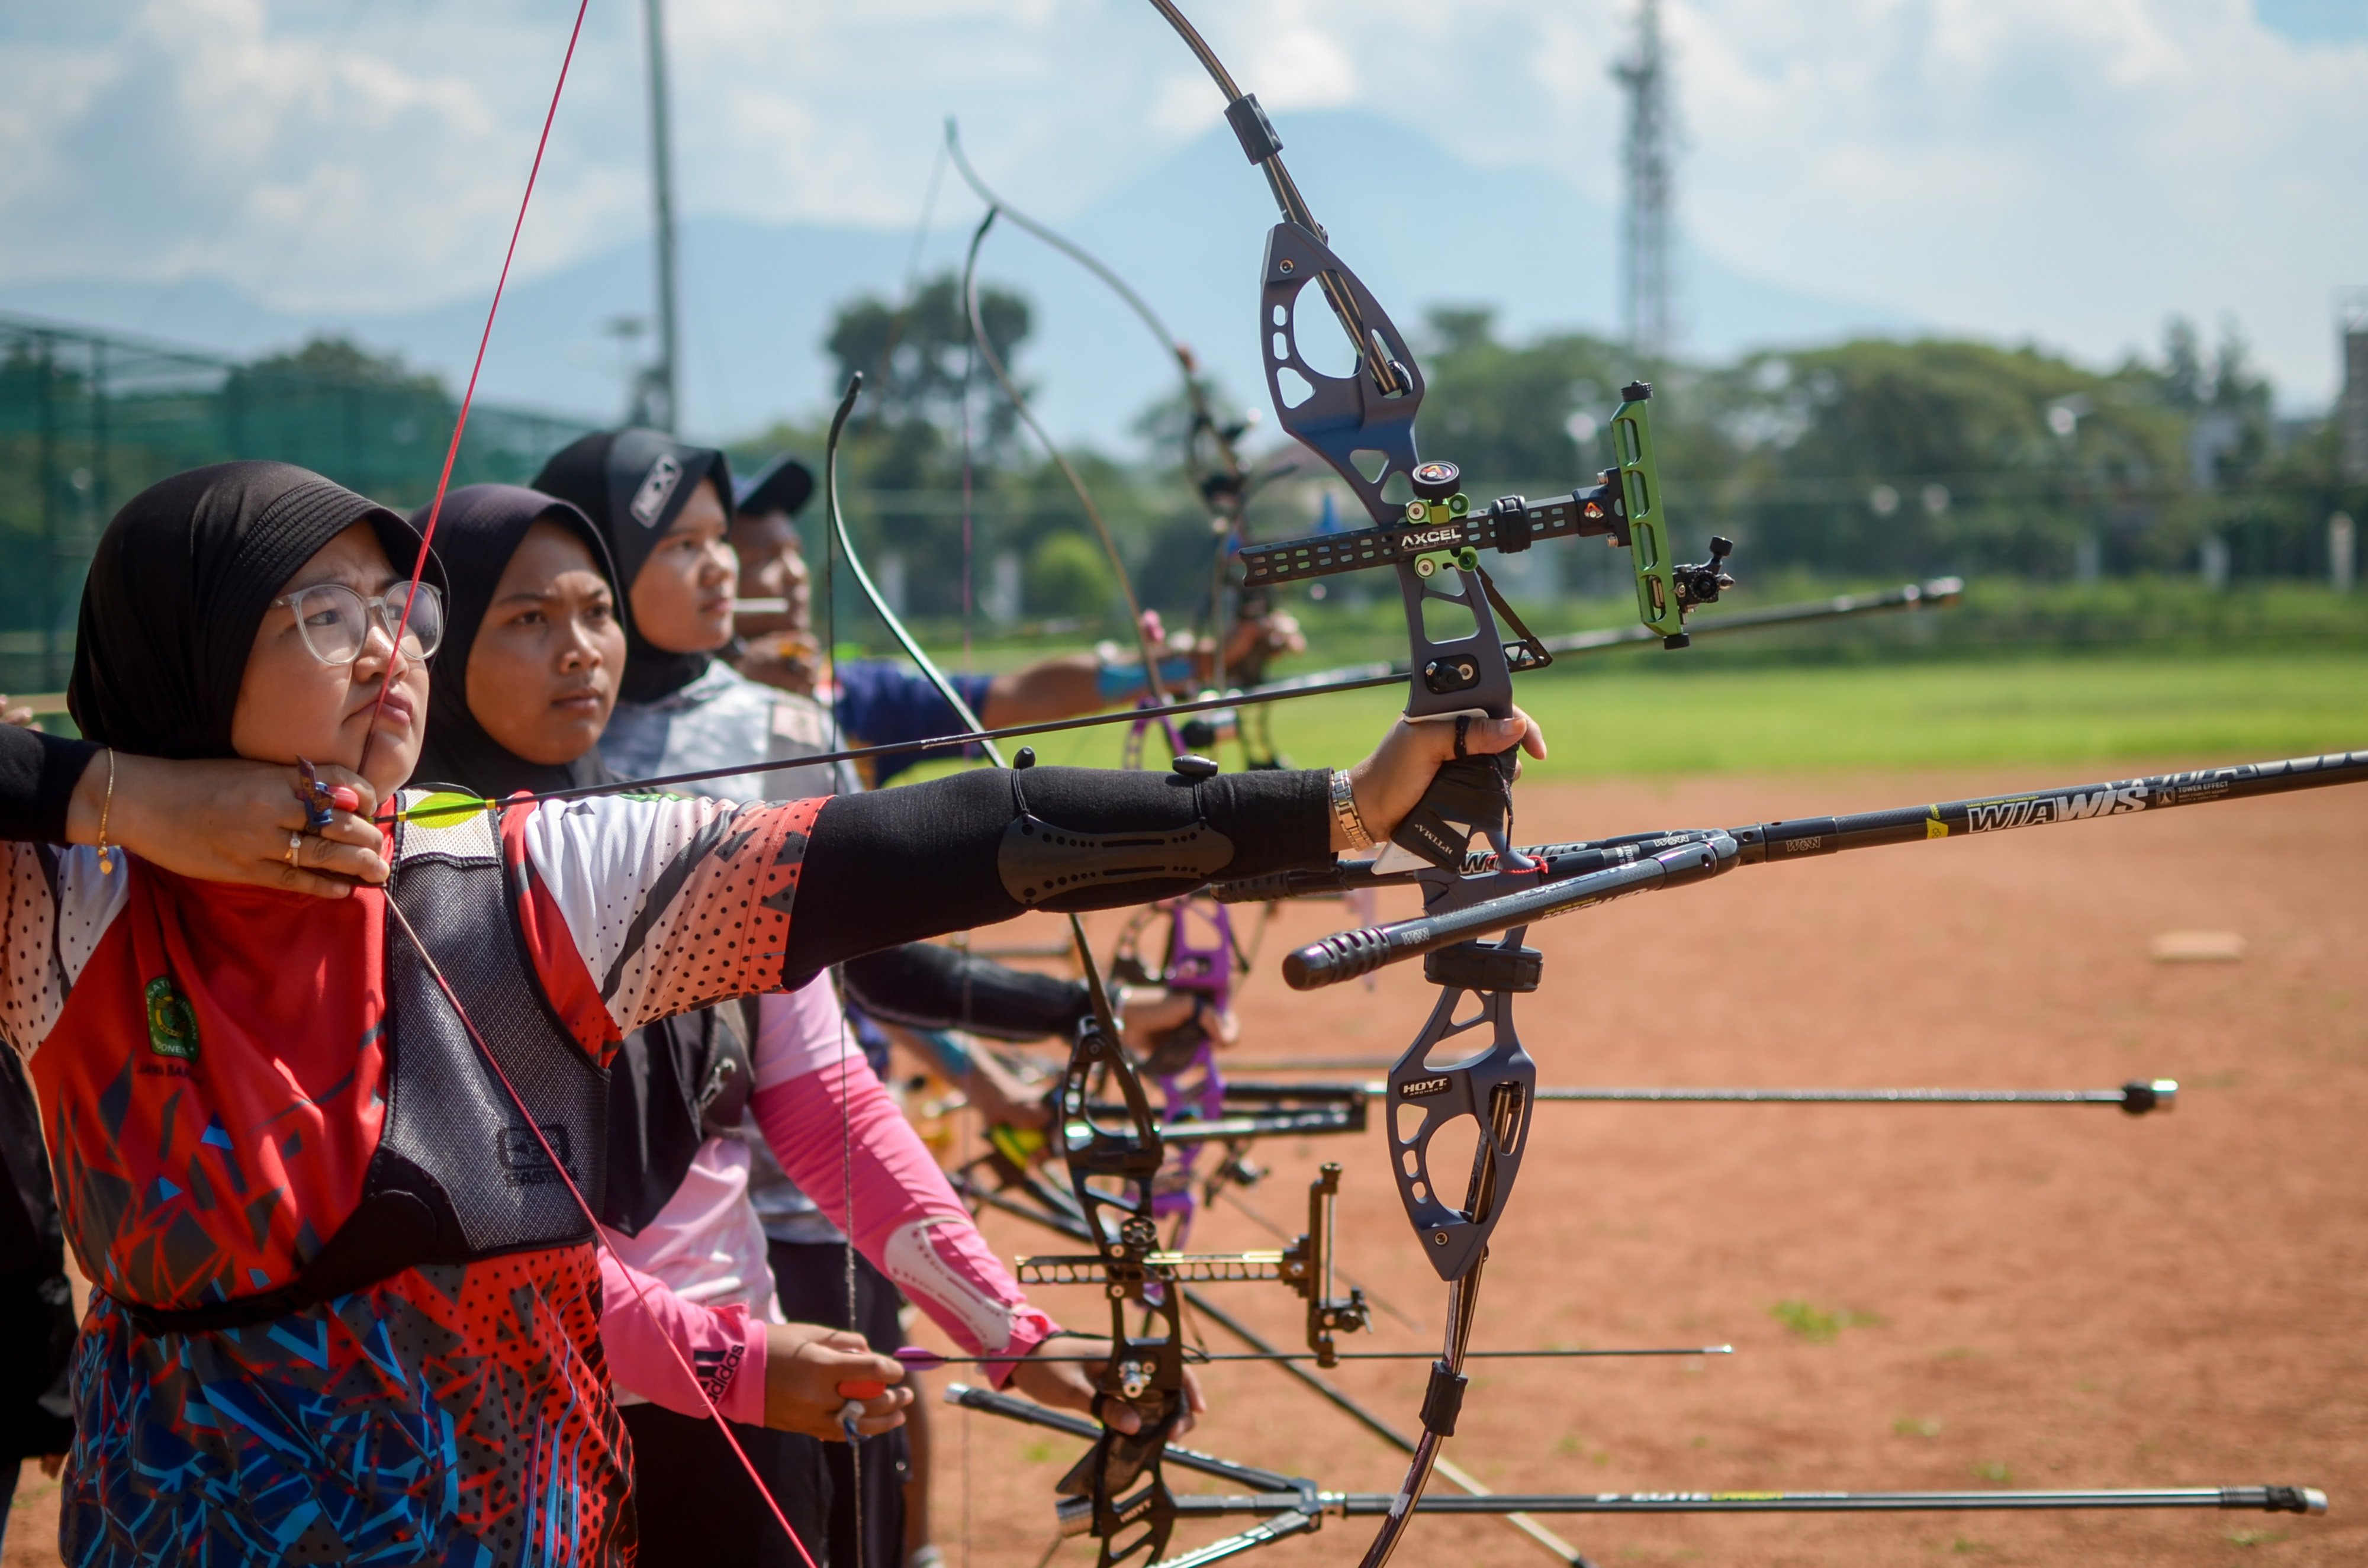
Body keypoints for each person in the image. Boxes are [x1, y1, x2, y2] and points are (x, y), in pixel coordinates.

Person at [0, 458, 1535, 1563]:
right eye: (318, 613)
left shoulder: (540, 879)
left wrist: (1334, 809)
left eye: (391, 602)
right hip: (176, 1521)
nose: (389, 643)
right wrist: (114, 796)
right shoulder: (64, 912)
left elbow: (917, 849)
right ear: (187, 660)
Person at [403, 482, 1162, 1565]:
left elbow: (822, 1096)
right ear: (436, 645)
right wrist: (733, 1365)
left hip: (734, 1412)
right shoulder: (385, 889)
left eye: (595, 610)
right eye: (527, 618)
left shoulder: (665, 843)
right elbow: (479, 1233)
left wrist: (1004, 1327)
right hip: (507, 1427)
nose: (580, 649)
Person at [725, 452, 1306, 787]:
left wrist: (1202, 659)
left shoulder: (853, 693)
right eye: (762, 560)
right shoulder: (650, 709)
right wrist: (734, 686)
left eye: (794, 555)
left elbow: (1019, 695)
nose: (794, 577)